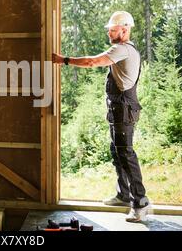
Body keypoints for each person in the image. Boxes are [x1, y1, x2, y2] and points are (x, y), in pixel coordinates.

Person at [52, 11, 151, 223]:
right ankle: (124, 195)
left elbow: (92, 62)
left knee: (126, 154)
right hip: (119, 110)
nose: (109, 32)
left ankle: (140, 202)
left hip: (124, 110)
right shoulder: (126, 48)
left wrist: (64, 60)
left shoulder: (122, 48)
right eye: (109, 29)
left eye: (113, 30)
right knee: (117, 152)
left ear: (124, 30)